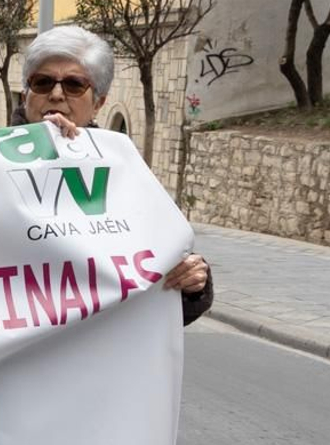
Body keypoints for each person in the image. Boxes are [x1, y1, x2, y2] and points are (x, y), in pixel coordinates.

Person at [18, 25, 212, 322]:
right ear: (26, 94)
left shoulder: (123, 172)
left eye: (73, 85)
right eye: (43, 83)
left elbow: (162, 276)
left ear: (99, 102)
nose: (56, 95)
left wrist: (193, 283)